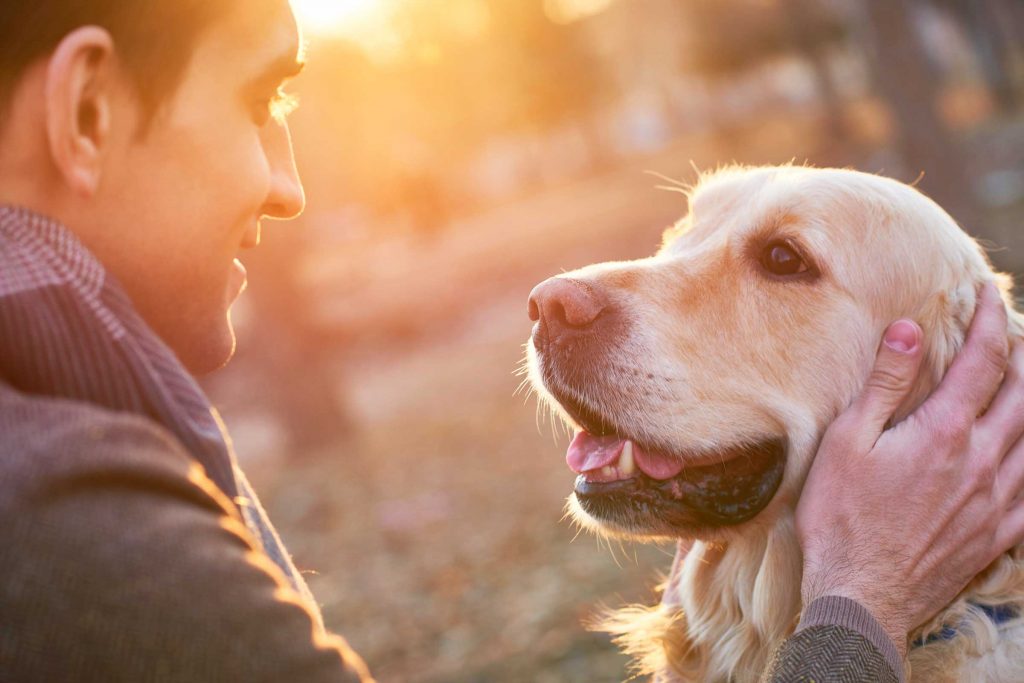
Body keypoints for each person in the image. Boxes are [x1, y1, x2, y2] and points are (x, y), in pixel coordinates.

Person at [0, 1, 1020, 681]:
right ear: (85, 109)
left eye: (781, 262)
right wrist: (859, 607)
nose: (291, 185)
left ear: (956, 394)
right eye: (262, 101)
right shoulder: (65, 519)